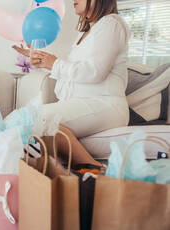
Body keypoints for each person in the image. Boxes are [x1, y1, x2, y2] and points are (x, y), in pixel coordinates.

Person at [13, 0, 129, 166]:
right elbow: (76, 74)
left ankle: (95, 170)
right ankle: (85, 172)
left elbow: (94, 71)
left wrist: (54, 63)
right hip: (86, 102)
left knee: (36, 119)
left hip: (107, 104)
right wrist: (44, 62)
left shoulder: (112, 23)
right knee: (34, 119)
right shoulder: (86, 33)